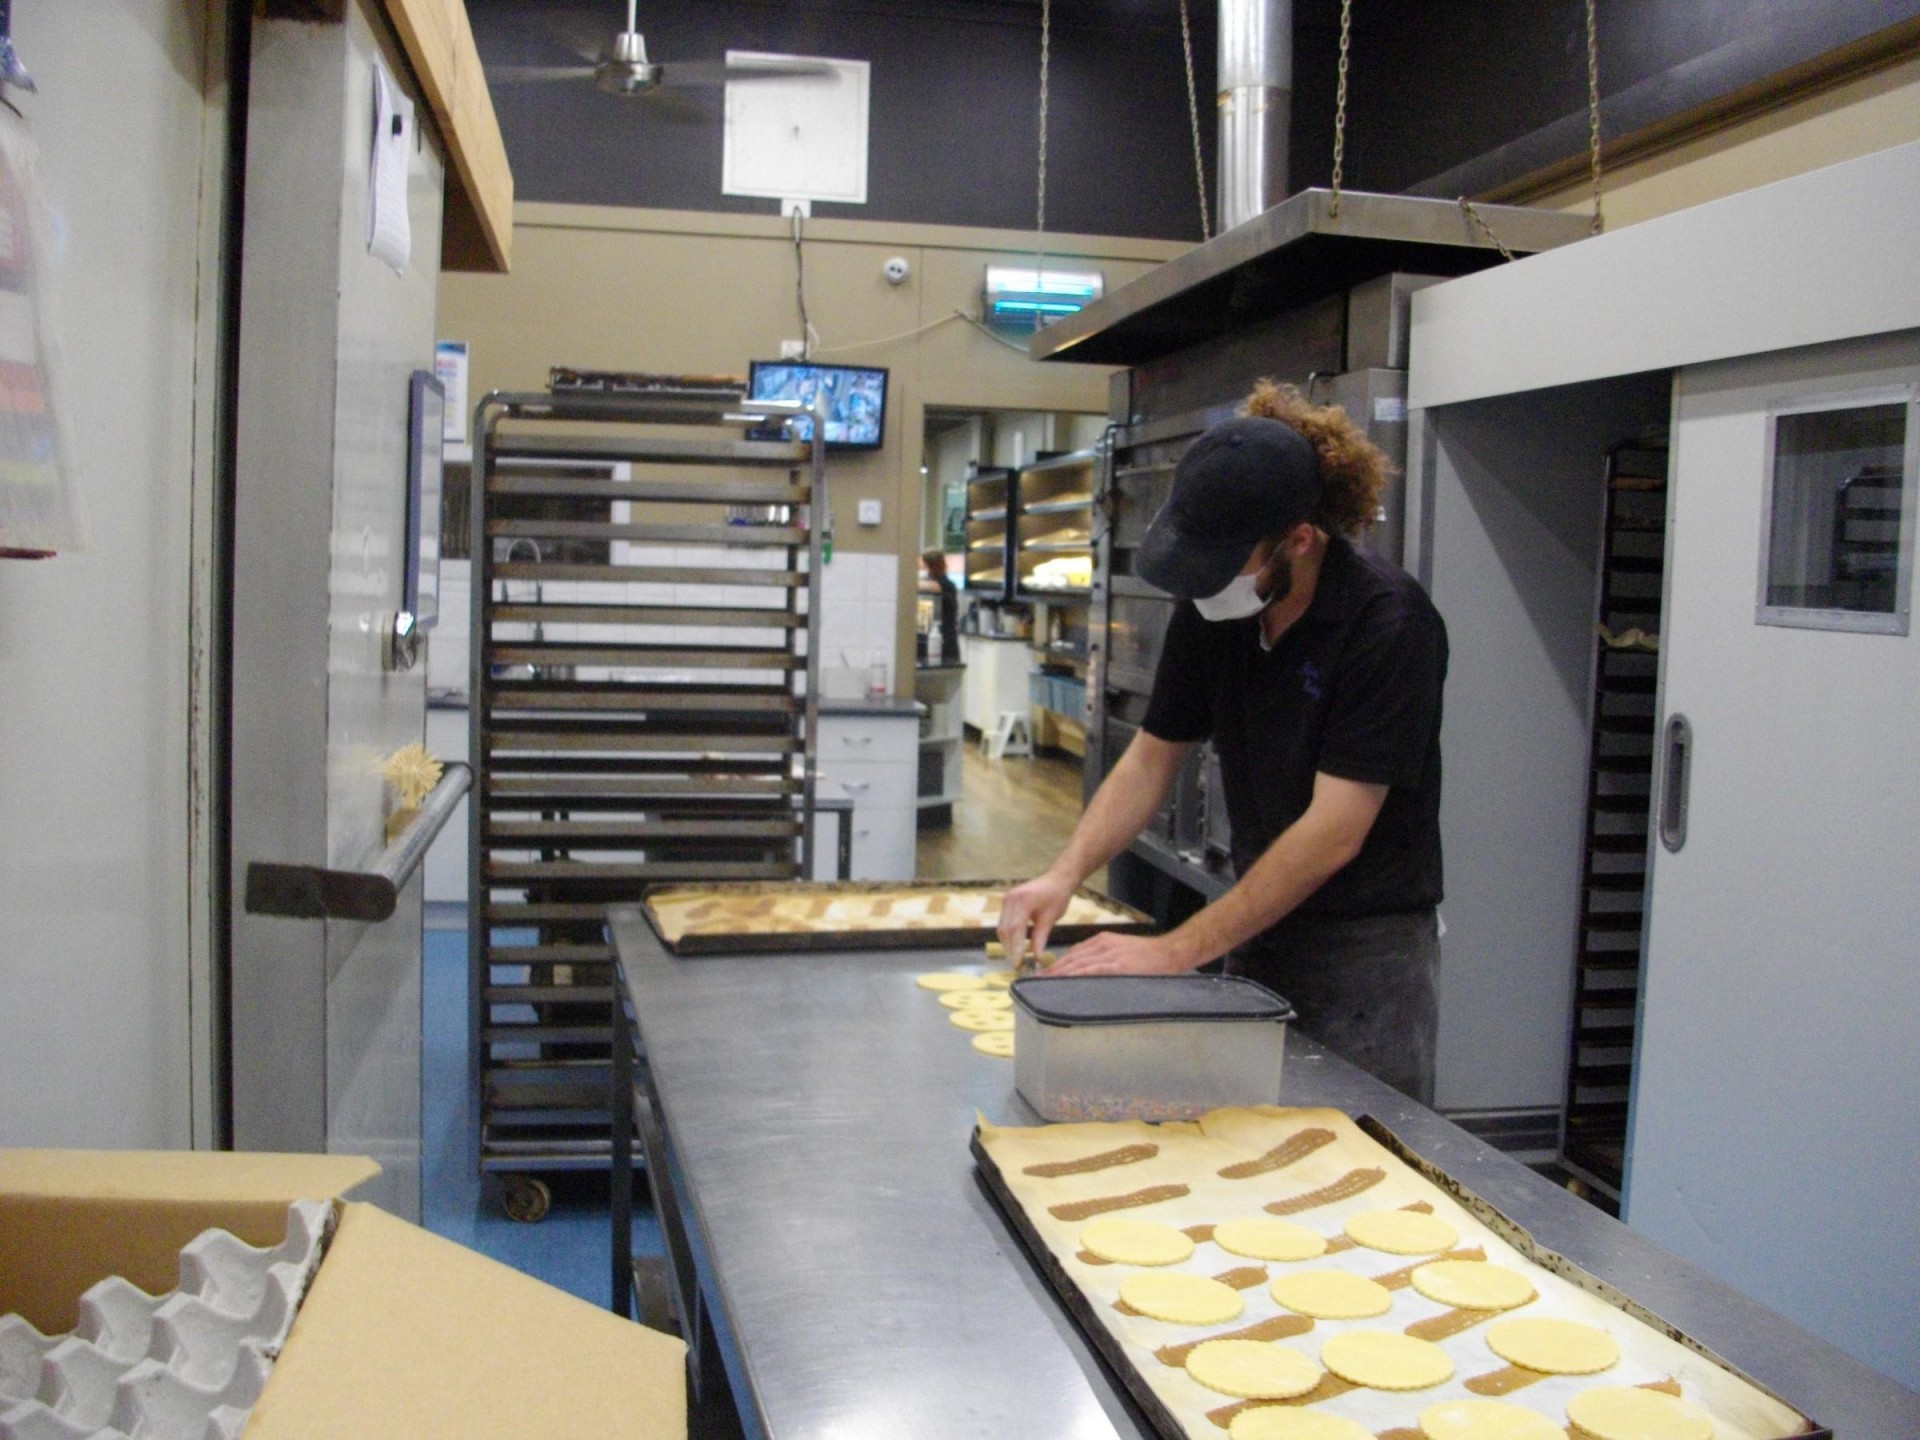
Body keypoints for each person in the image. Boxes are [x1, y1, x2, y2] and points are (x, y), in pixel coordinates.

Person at [997, 381, 1449, 1103]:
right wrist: (1064, 875)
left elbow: (1334, 832)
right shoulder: (1218, 605)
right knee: (1247, 1128)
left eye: (1228, 562)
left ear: (1299, 540)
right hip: (1259, 920)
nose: (1207, 586)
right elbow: (1153, 755)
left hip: (1367, 955)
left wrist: (1176, 950)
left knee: (1359, 1142)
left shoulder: (1388, 624)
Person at [919, 548, 959, 662]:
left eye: (924, 565)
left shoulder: (946, 585)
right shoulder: (938, 583)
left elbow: (934, 587)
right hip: (929, 636)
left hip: (944, 639)